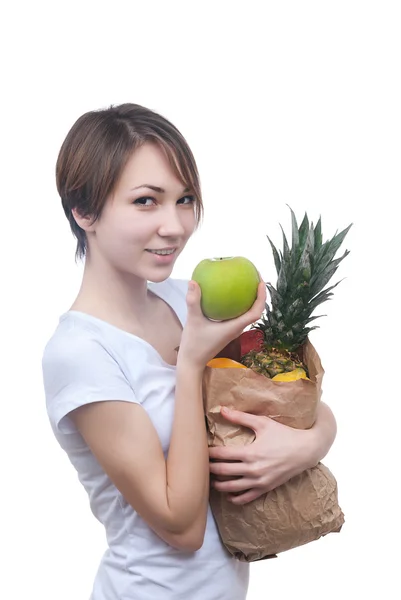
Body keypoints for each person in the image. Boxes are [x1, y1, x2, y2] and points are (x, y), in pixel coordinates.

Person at [42, 103, 337, 600]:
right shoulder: (80, 353)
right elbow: (181, 526)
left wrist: (309, 445)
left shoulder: (189, 300)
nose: (176, 226)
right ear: (83, 211)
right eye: (145, 201)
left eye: (184, 200)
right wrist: (191, 363)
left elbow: (292, 401)